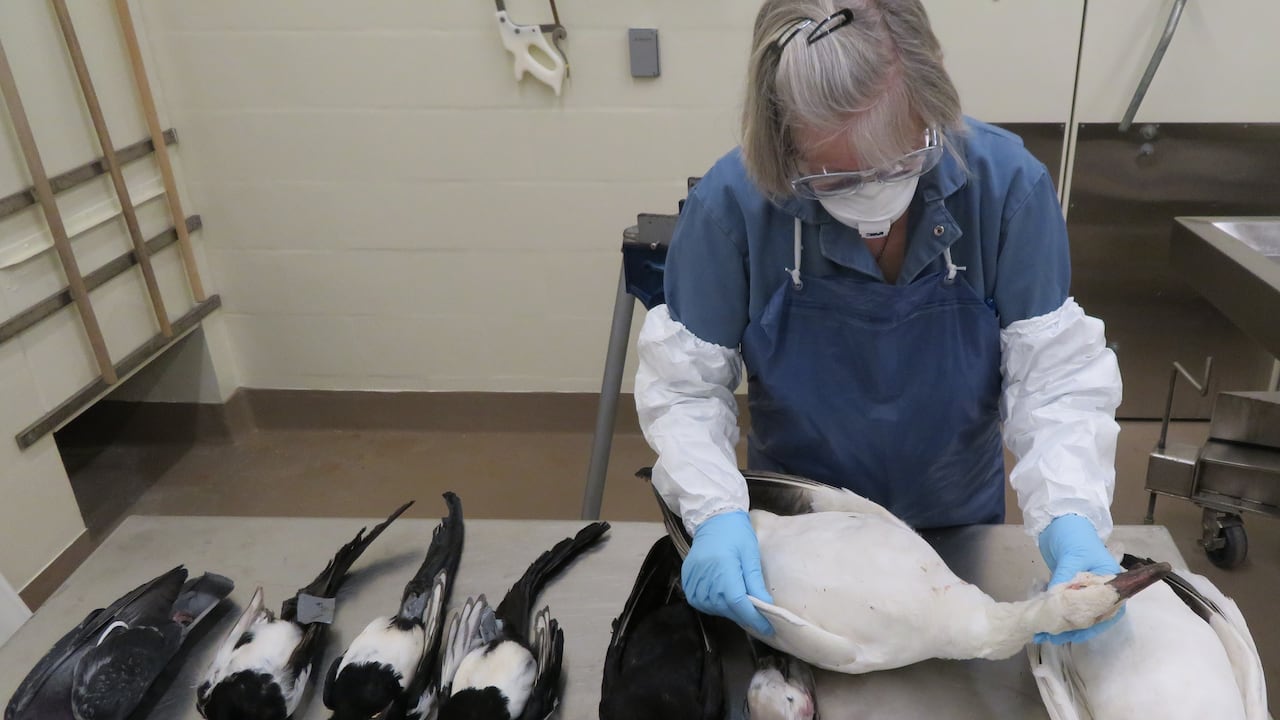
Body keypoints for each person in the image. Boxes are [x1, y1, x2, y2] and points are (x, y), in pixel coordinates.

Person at [635, 0, 1124, 646]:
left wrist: (1070, 516)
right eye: (832, 177)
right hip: (800, 537)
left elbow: (1055, 381)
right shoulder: (733, 209)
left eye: (899, 162)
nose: (872, 196)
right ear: (784, 144)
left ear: (934, 94)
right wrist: (715, 513)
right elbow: (685, 389)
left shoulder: (1006, 191)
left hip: (959, 530)